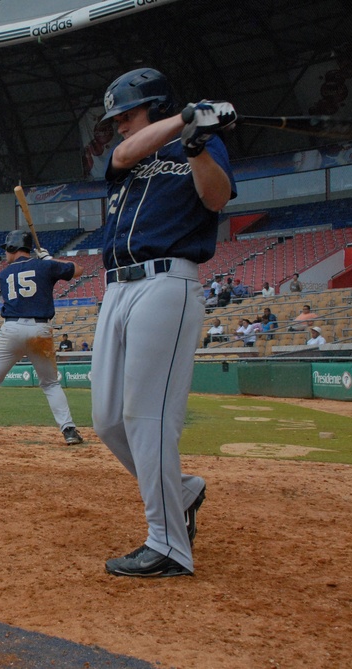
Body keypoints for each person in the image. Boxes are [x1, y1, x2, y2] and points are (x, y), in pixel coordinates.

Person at [91, 69, 236, 578]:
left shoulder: (203, 145)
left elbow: (216, 198)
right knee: (108, 420)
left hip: (165, 282)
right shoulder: (131, 155)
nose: (119, 125)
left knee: (146, 417)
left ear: (153, 105)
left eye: (127, 114)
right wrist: (185, 119)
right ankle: (183, 491)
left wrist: (196, 143)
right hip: (115, 287)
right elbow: (122, 155)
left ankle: (169, 545)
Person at [0, 229, 85, 447]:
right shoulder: (45, 266)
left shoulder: (3, 274)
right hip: (40, 330)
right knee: (50, 384)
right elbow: (78, 270)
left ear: (13, 247)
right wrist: (49, 259)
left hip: (11, 329)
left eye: (7, 249)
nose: (5, 253)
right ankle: (69, 431)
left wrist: (45, 264)